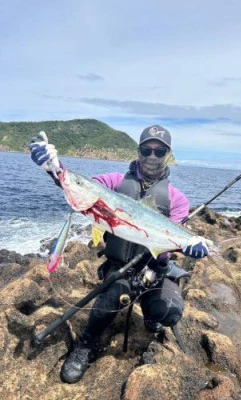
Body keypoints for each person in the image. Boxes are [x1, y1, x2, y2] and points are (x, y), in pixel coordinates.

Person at [30, 124, 210, 384]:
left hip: (154, 270)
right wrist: (54, 168)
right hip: (119, 266)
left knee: (168, 312)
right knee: (111, 299)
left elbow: (177, 235)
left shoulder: (177, 199)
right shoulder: (113, 182)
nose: (151, 156)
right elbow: (82, 189)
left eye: (159, 152)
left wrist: (191, 244)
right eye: (146, 150)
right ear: (138, 151)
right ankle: (86, 345)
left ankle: (150, 313)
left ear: (168, 155)